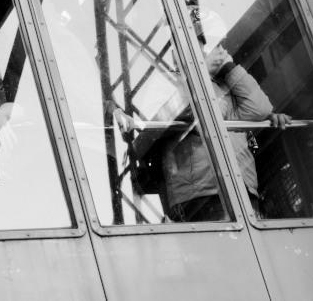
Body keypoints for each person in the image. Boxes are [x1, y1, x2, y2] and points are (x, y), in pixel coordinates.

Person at [117, 45, 290, 222]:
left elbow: (259, 109)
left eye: (221, 45)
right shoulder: (165, 82)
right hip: (200, 192)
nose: (220, 50)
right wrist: (199, 74)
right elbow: (153, 128)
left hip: (243, 187)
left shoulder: (224, 86)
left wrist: (230, 68)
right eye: (211, 46)